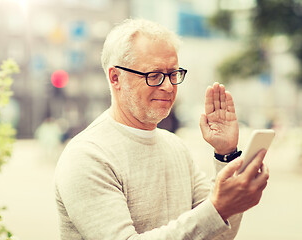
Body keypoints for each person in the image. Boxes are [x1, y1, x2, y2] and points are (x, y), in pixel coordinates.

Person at [54, 19, 269, 240]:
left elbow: (216, 234)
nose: (168, 86)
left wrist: (226, 154)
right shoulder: (87, 156)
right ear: (115, 77)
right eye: (154, 75)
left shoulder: (175, 147)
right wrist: (217, 209)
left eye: (173, 74)